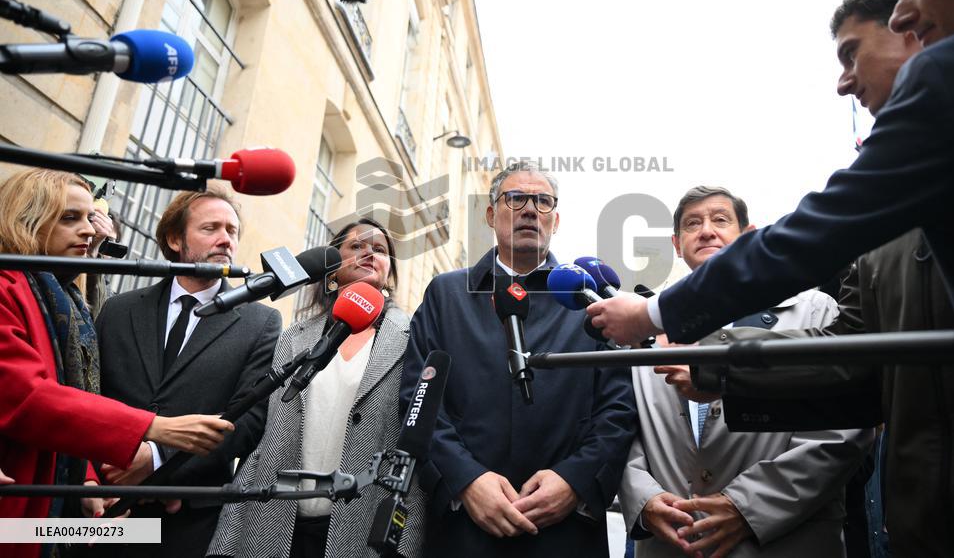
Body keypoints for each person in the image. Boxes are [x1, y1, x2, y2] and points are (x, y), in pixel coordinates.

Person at [587, 0, 954, 554]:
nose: (906, 11)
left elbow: (810, 238)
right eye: (692, 223)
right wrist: (723, 373)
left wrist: (656, 314)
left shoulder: (951, 79)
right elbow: (860, 369)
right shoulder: (888, 237)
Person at [401, 161, 637, 558]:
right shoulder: (446, 295)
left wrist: (574, 481)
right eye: (516, 198)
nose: (531, 209)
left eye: (543, 201)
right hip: (463, 530)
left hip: (567, 533)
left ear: (556, 220)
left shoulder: (593, 300)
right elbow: (419, 399)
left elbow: (619, 406)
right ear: (491, 214)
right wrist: (466, 481)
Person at [620, 186, 871, 558]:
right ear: (676, 243)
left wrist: (747, 506)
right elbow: (624, 427)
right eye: (692, 223)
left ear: (749, 236)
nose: (706, 230)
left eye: (720, 220)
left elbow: (841, 430)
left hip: (782, 544)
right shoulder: (644, 330)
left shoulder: (815, 311)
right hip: (672, 545)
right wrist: (644, 498)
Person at [0, 169, 233, 558]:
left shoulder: (66, 298)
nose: (89, 231)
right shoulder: (13, 287)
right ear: (28, 219)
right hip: (19, 501)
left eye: (90, 218)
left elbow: (75, 394)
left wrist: (88, 482)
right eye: (70, 218)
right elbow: (26, 396)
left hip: (98, 512)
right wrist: (153, 428)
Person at [208, 217, 425, 558]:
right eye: (356, 246)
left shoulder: (414, 338)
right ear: (332, 269)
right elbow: (260, 436)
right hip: (274, 519)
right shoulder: (295, 337)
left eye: (380, 249)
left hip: (363, 524)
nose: (369, 253)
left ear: (388, 272)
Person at [95, 186, 281, 557]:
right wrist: (93, 477)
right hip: (102, 506)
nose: (225, 238)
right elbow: (89, 394)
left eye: (232, 230)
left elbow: (247, 421)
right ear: (174, 238)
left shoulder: (261, 322)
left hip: (186, 521)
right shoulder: (119, 310)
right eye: (211, 228)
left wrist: (158, 457)